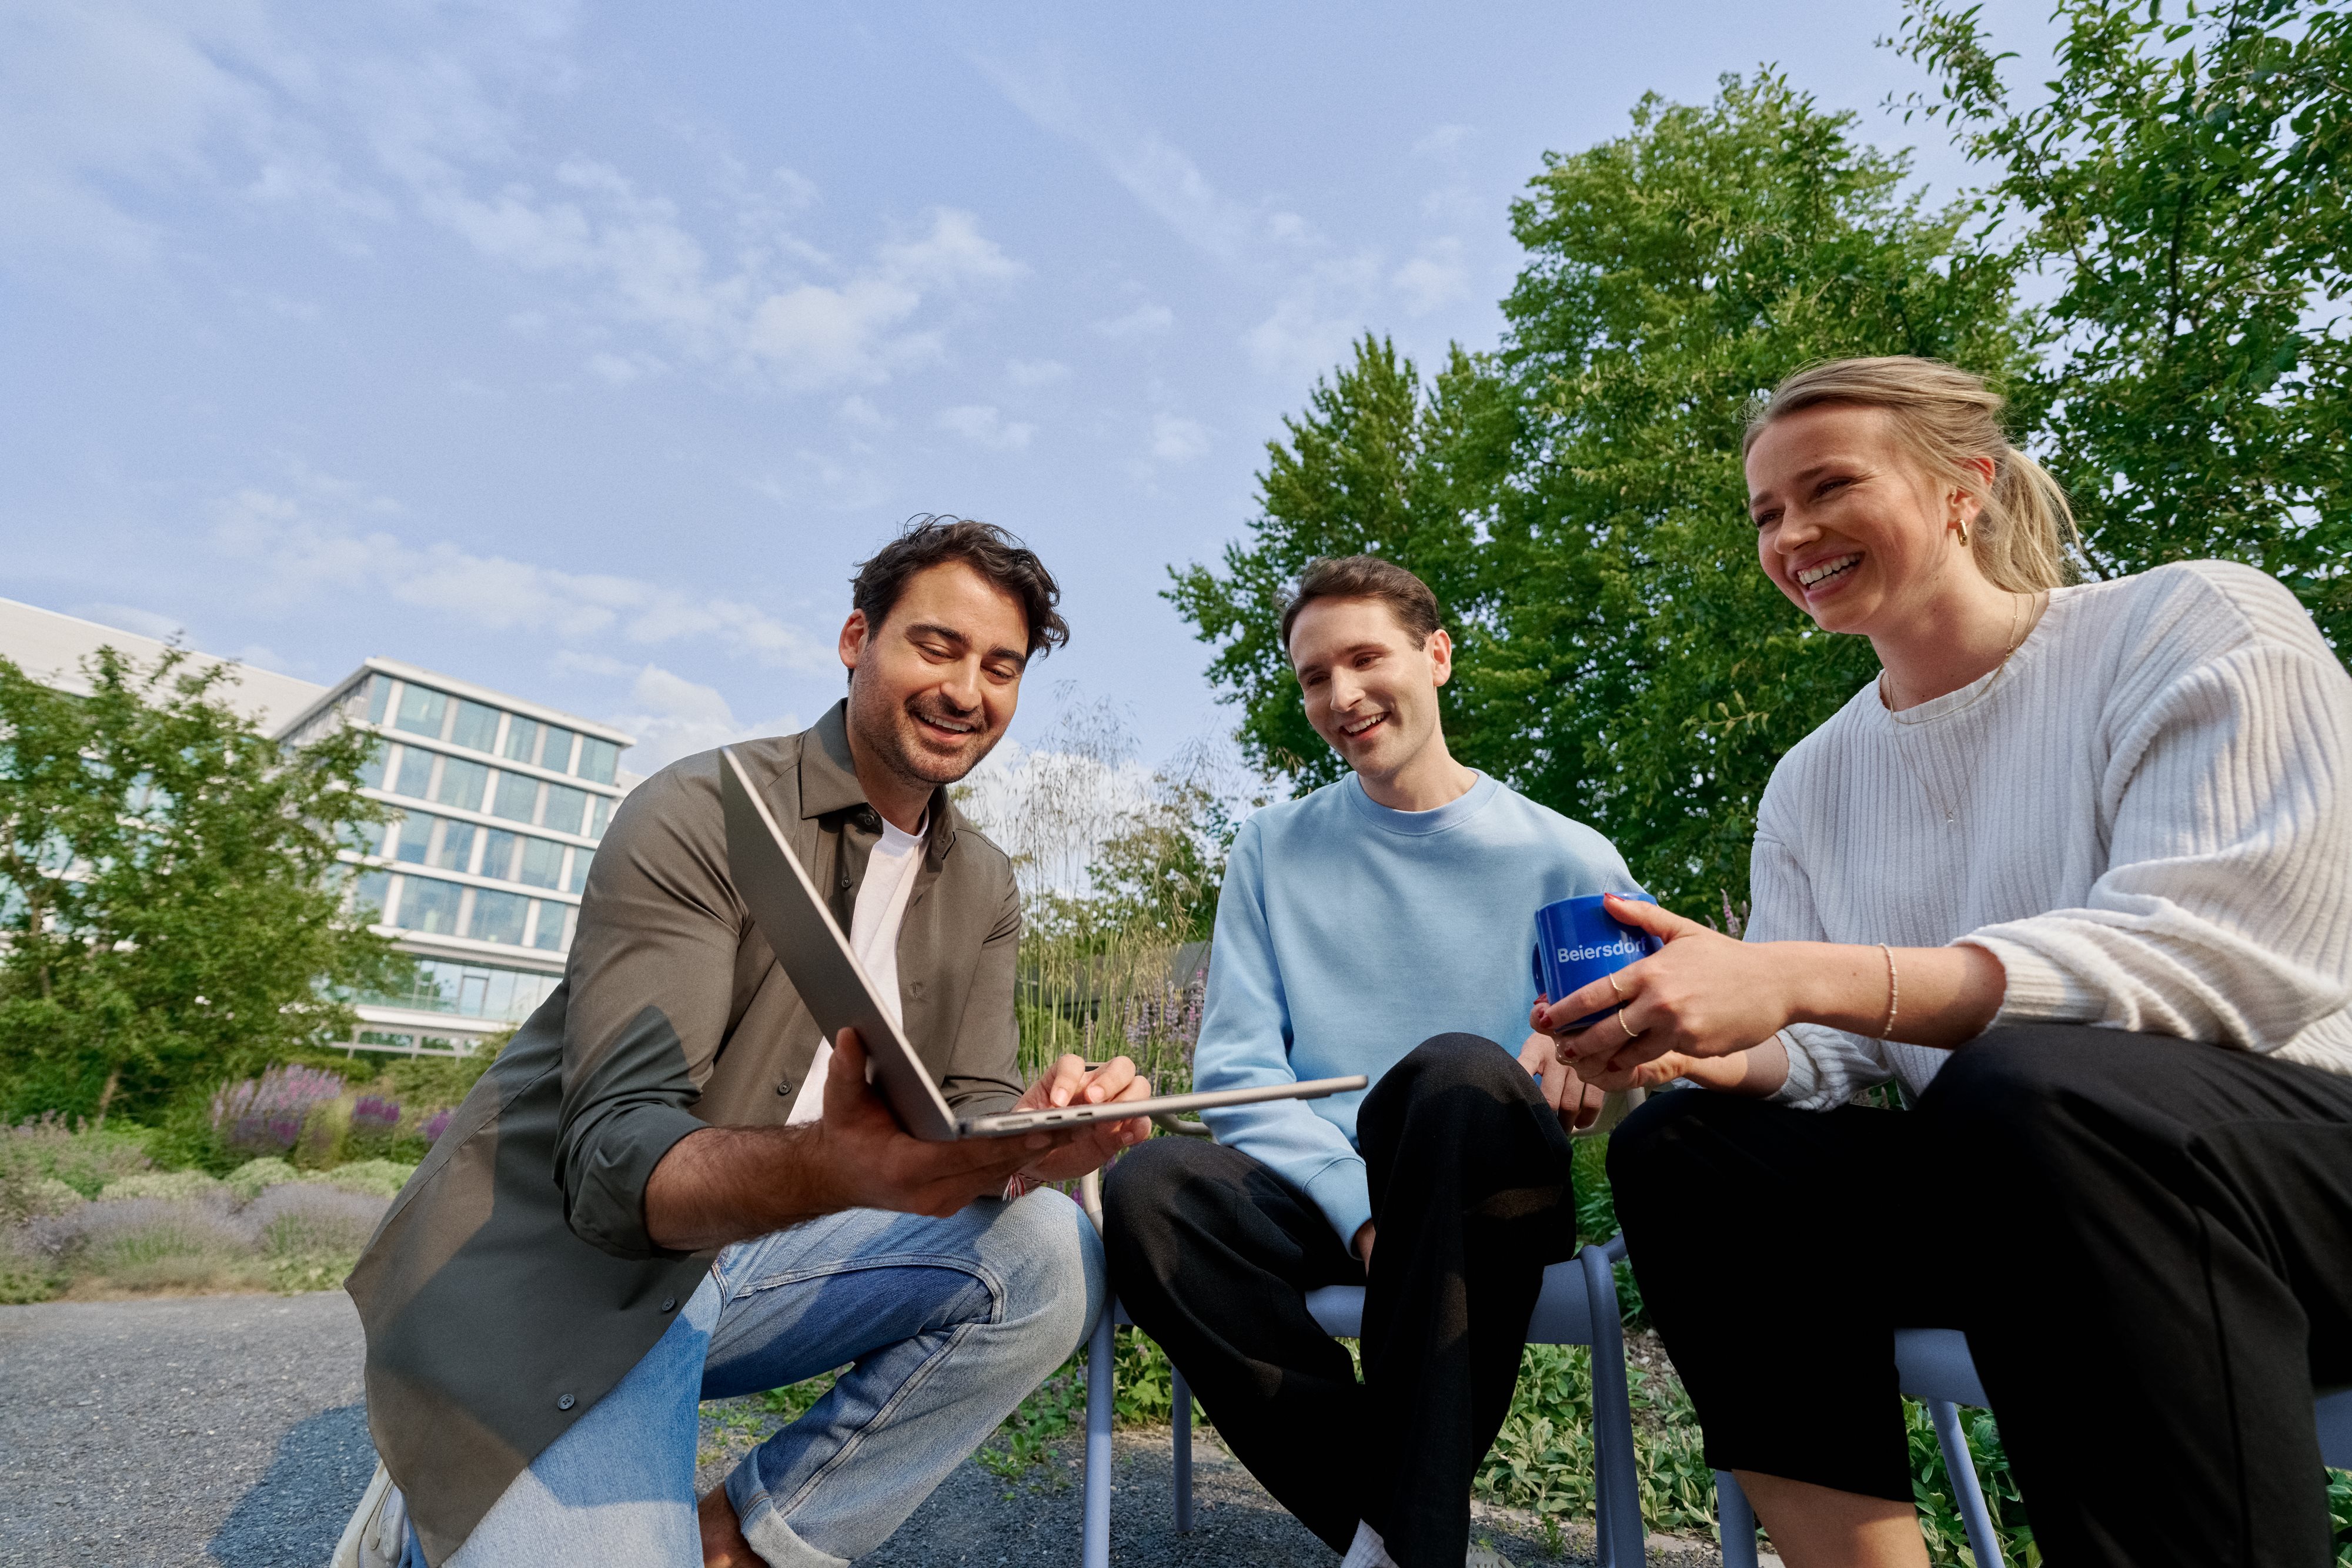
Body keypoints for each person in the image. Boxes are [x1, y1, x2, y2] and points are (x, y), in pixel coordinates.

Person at [1546, 357, 2352, 1568]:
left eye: (1826, 487)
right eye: (1764, 512)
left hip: (2286, 1174)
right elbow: (1820, 1047)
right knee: (1689, 1150)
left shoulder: (2190, 620)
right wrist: (1692, 1035)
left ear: (1962, 485)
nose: (1791, 533)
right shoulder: (1812, 777)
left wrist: (1809, 973)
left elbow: (2221, 956)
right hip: (2020, 1183)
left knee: (2032, 1082)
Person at [336, 517, 1152, 1568]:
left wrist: (1040, 1145)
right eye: (936, 647)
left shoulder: (985, 883)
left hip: (768, 1258)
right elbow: (613, 1171)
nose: (968, 692)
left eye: (1002, 668)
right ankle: (437, 1490)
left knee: (1048, 1255)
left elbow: (969, 1120)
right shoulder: (703, 811)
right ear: (858, 639)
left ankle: (747, 1541)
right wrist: (827, 1163)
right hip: (585, 1267)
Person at [1104, 555, 1638, 1568]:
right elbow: (1236, 1078)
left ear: (1436, 657)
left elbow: (1639, 1065)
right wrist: (1362, 1216)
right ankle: (1412, 1536)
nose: (1341, 696)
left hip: (1483, 1197)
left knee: (1456, 1073)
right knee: (1150, 1183)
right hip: (1324, 1196)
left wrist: (1595, 1065)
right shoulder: (1270, 848)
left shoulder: (1570, 858)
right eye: (1313, 677)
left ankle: (1397, 1539)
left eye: (1364, 659)